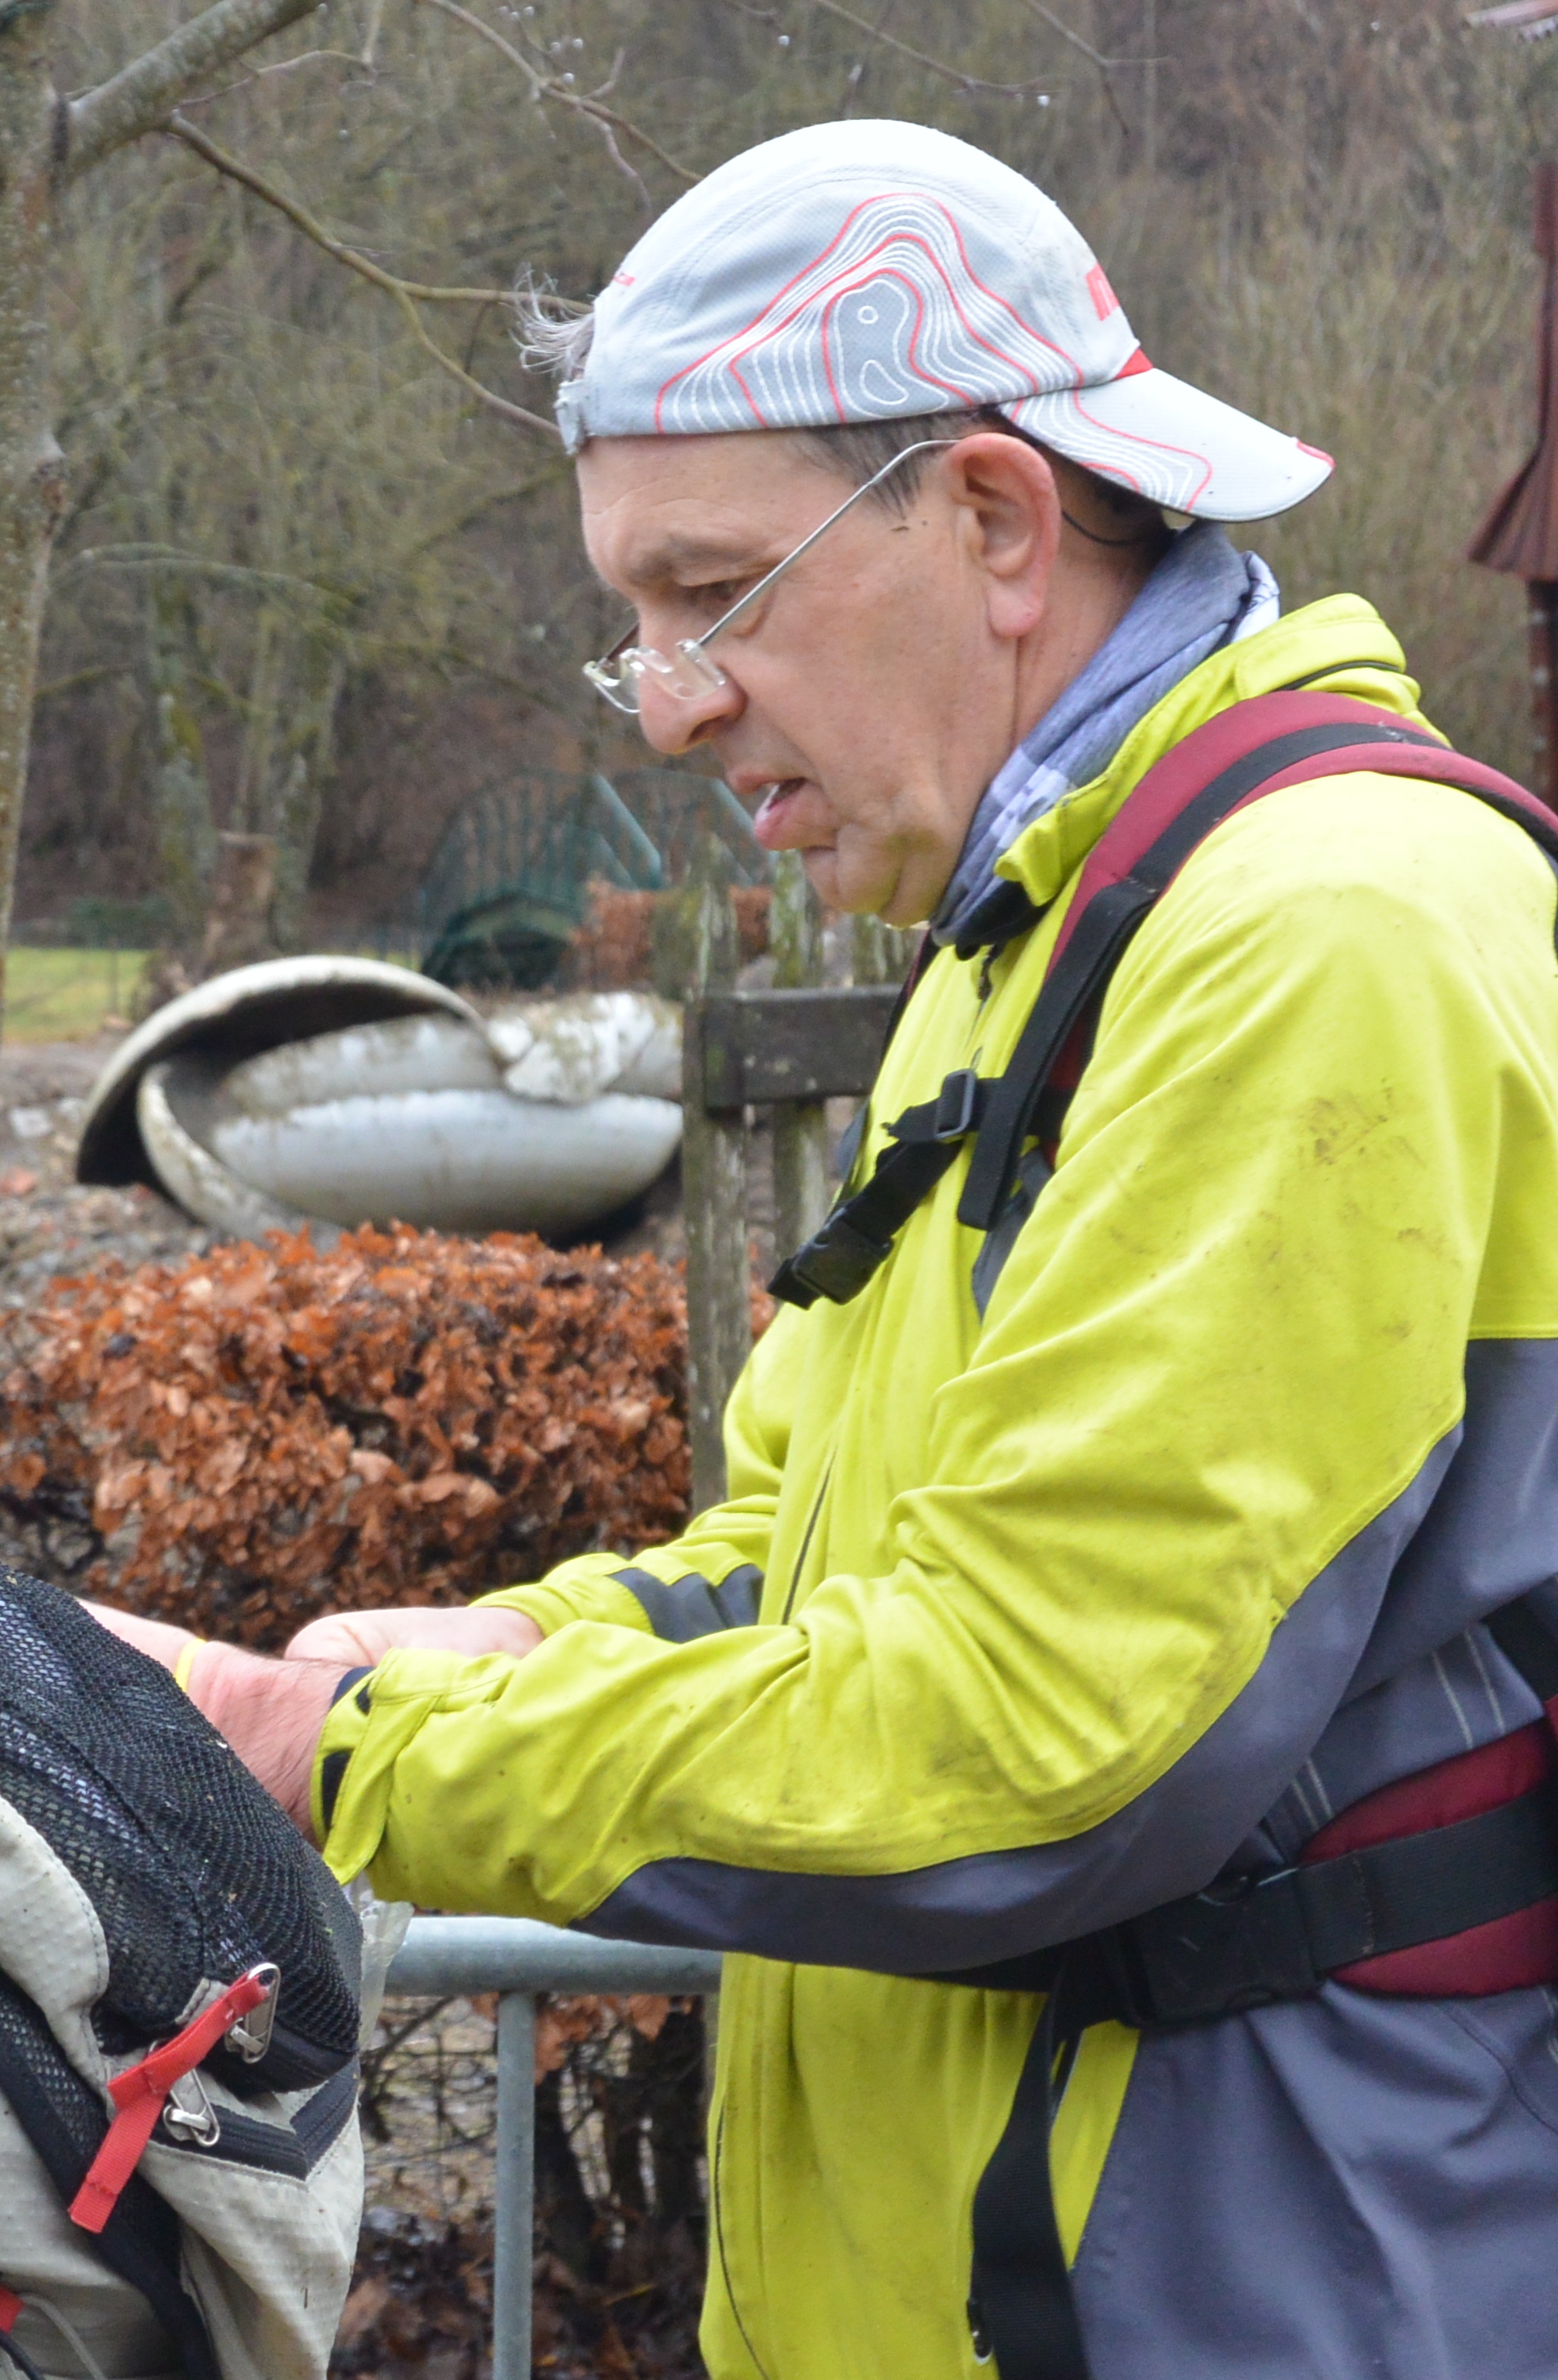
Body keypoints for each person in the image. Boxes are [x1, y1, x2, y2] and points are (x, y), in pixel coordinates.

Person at [111, 120, 1558, 2380]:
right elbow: (812, 1569)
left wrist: (342, 1749)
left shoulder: (1318, 934)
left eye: (715, 594)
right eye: (631, 622)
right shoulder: (1040, 927)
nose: (669, 700)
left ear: (995, 520)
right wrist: (503, 1646)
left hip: (1236, 2294)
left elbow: (1035, 1726)